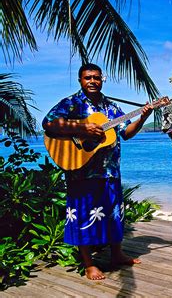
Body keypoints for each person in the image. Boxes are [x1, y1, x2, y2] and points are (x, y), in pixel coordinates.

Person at [42, 63, 154, 280]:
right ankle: (89, 264)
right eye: (87, 78)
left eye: (96, 77)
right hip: (81, 171)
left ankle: (116, 254)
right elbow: (48, 123)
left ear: (102, 79)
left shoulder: (111, 107)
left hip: (110, 171)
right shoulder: (71, 104)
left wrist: (143, 117)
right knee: (83, 214)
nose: (92, 81)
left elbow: (127, 133)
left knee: (114, 213)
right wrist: (82, 128)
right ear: (80, 80)